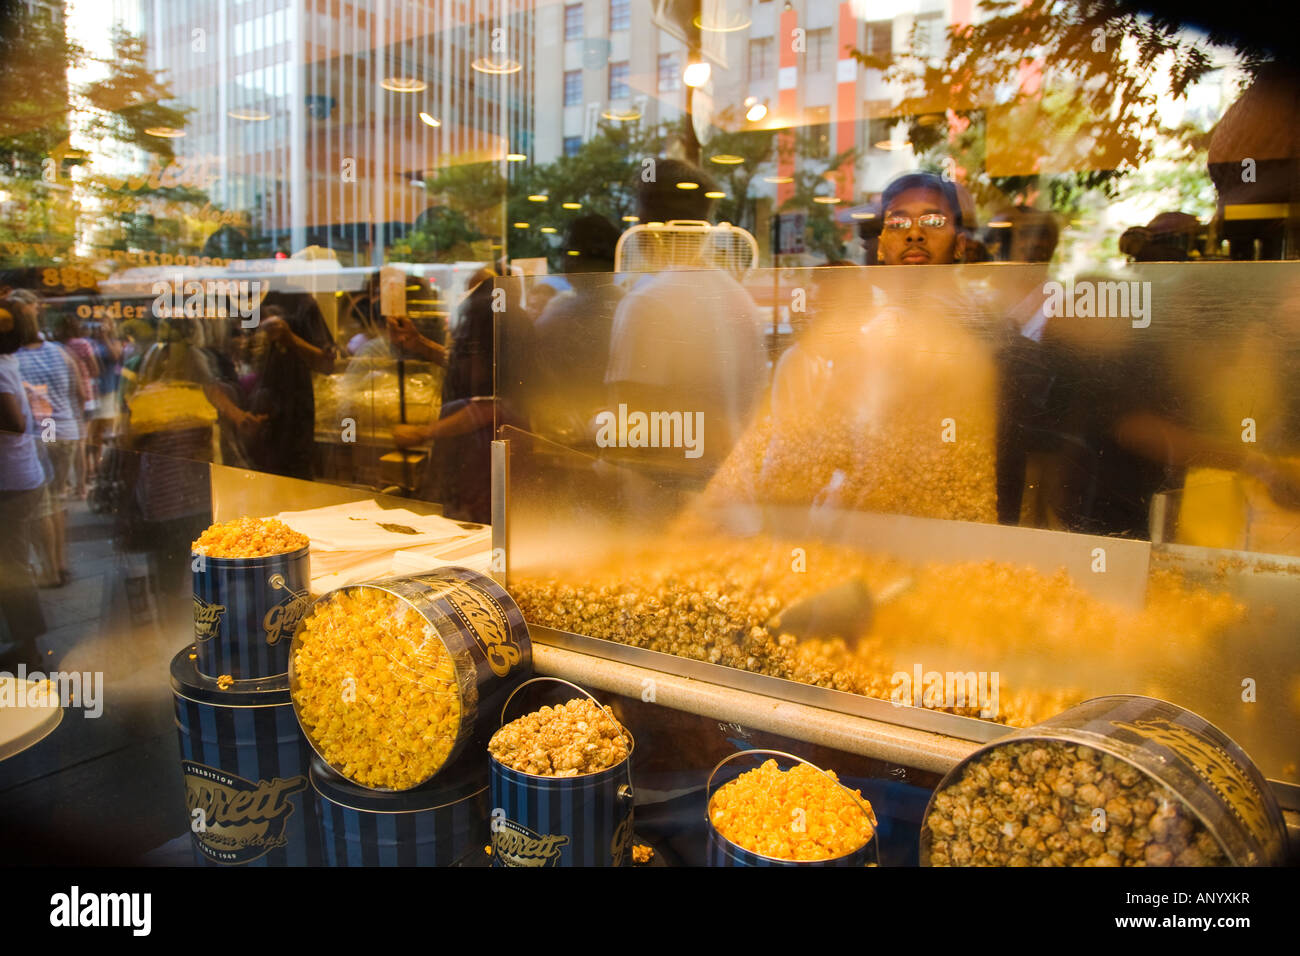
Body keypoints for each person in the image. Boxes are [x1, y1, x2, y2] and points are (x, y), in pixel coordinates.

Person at [604, 158, 765, 475]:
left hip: (664, 495)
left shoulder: (647, 303)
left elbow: (628, 430)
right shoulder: (741, 299)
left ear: (647, 225)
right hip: (730, 490)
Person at [531, 214, 625, 445]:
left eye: (567, 252)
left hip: (571, 429)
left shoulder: (564, 310)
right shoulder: (627, 302)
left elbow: (530, 353)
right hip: (616, 426)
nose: (564, 260)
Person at [13, 291, 83, 586]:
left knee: (43, 506)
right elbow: (80, 391)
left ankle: (51, 570)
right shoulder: (60, 352)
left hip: (43, 432)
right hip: (64, 429)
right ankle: (61, 563)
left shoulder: (13, 359)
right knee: (56, 499)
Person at [0, 294, 48, 667]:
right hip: (19, 474)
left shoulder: (2, 367)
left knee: (12, 567)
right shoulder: (9, 362)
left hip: (11, 480)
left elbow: (15, 423)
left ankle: (29, 650)